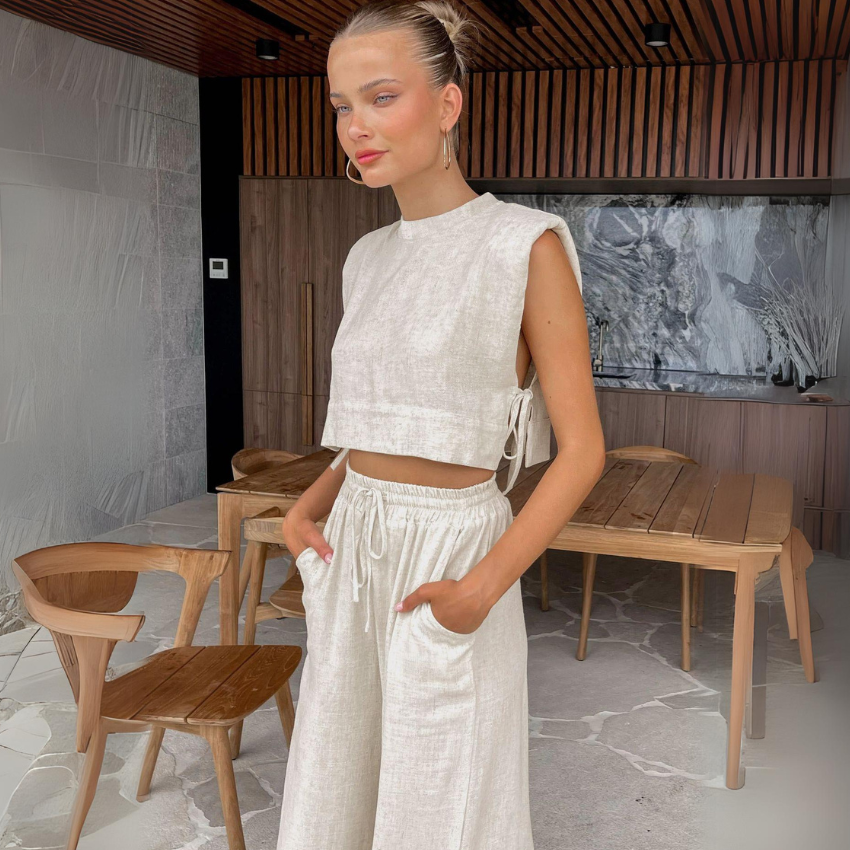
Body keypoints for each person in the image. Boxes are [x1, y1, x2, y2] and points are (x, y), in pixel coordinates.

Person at [276, 1, 605, 848]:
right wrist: (308, 505)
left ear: (449, 103)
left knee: (444, 803)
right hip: (353, 541)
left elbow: (583, 452)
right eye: (342, 106)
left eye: (382, 97)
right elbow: (379, 425)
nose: (356, 127)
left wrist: (479, 592)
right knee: (337, 779)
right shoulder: (367, 258)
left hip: (453, 553)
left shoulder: (522, 245)